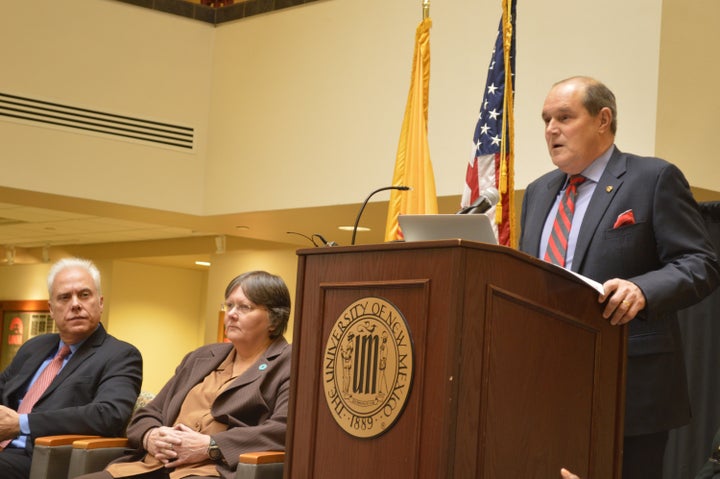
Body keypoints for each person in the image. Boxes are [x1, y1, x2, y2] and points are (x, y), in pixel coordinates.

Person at [520, 76, 720, 479]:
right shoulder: (538, 192)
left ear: (602, 119)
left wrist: (642, 289)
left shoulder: (652, 179)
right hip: (547, 388)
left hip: (628, 387)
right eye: (545, 120)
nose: (551, 130)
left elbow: (700, 263)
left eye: (564, 117)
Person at [76, 270, 292, 479]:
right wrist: (150, 435)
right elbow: (149, 413)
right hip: (150, 466)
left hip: (209, 471)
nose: (232, 314)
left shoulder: (289, 363)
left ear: (274, 320)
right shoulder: (201, 357)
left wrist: (211, 446)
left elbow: (282, 430)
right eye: (229, 305)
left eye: (245, 307)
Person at [0, 257, 143, 479]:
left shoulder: (120, 355)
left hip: (40, 455)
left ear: (101, 302)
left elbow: (109, 415)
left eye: (84, 295)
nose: (75, 304)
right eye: (64, 297)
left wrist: (21, 424)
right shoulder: (35, 346)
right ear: (51, 309)